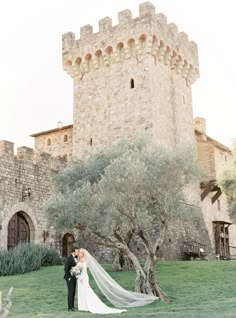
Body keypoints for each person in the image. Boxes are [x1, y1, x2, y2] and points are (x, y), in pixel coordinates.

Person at [72, 248, 158, 314]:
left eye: (80, 252)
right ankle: (83, 306)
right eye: (78, 252)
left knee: (87, 290)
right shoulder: (78, 260)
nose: (78, 253)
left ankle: (90, 305)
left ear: (83, 254)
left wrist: (80, 275)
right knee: (81, 291)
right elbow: (78, 268)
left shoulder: (85, 260)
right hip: (79, 277)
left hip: (83, 277)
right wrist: (76, 273)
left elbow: (84, 269)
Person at [64, 247, 80, 312]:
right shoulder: (69, 258)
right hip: (69, 278)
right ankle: (69, 307)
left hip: (74, 277)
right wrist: (69, 277)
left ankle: (72, 306)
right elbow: (66, 268)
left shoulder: (75, 258)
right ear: (73, 252)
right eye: (77, 251)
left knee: (73, 292)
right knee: (70, 292)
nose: (78, 252)